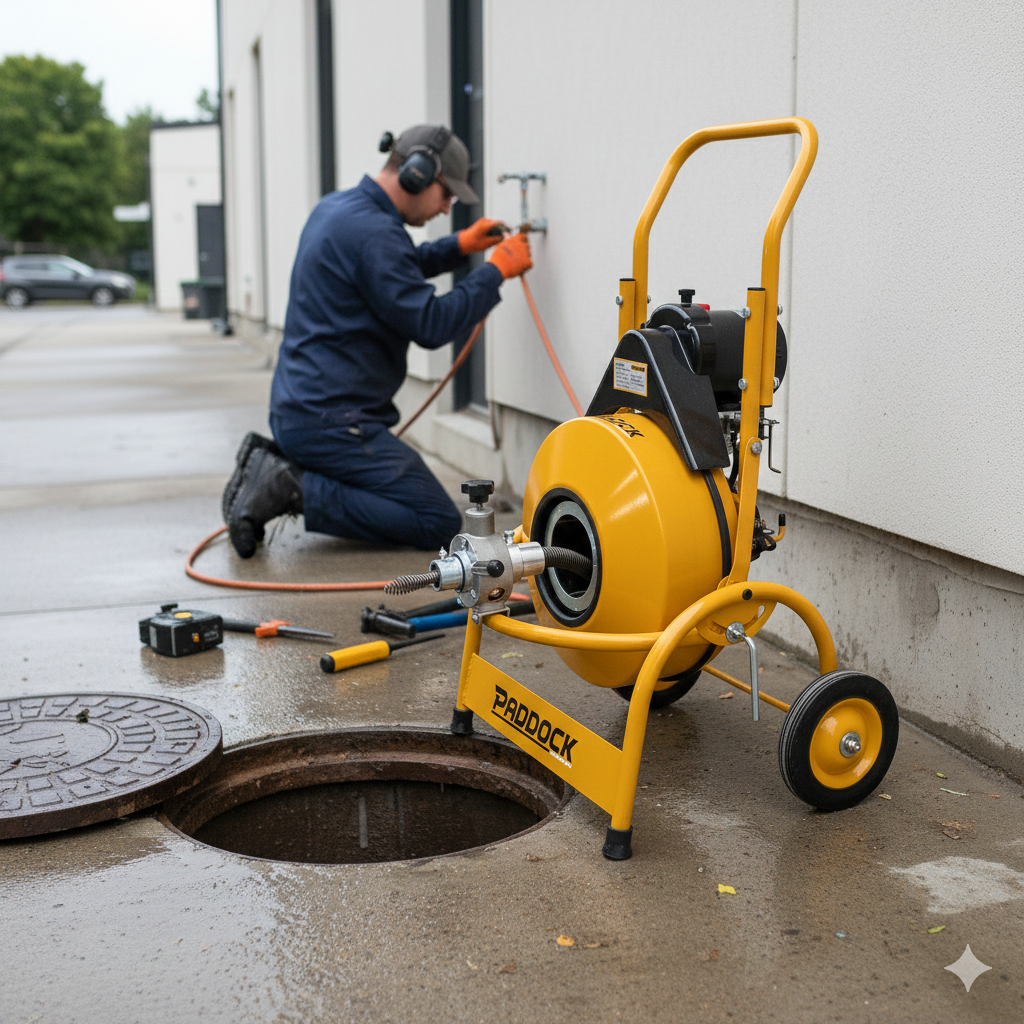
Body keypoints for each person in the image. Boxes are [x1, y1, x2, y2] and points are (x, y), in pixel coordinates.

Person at [224, 124, 532, 558]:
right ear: (417, 173)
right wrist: (495, 271)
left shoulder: (341, 210)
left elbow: (393, 269)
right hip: (331, 424)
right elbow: (430, 323)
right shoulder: (375, 233)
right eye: (446, 195)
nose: (446, 208)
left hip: (304, 411)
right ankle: (288, 486)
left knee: (419, 507)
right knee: (438, 521)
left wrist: (458, 246)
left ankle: (285, 473)